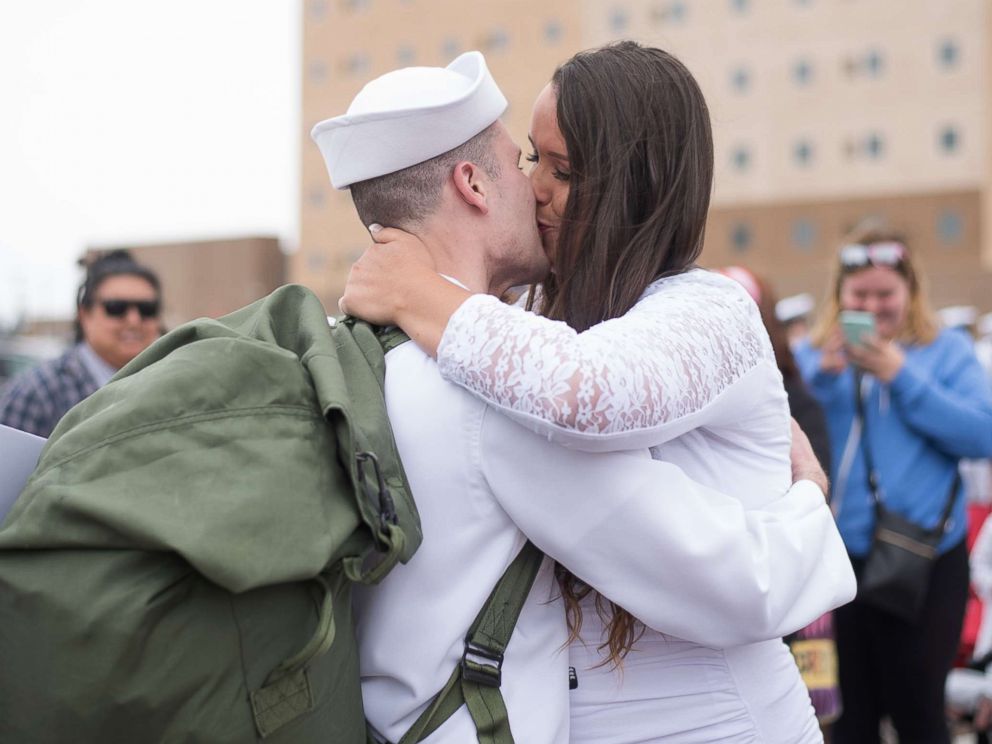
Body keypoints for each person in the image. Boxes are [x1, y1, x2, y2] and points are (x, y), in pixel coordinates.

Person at [336, 44, 850, 742]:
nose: (537, 188)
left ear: (637, 187)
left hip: (714, 721)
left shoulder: (708, 310)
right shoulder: (515, 340)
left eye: (565, 169)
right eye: (530, 159)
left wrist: (421, 289)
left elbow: (586, 391)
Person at [792, 228, 992, 743]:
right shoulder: (814, 360)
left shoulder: (943, 351)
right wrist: (826, 381)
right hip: (839, 565)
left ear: (911, 293)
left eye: (886, 295)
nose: (873, 307)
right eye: (860, 296)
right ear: (839, 298)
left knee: (920, 713)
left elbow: (983, 434)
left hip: (923, 560)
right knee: (848, 720)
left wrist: (900, 375)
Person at [0, 250, 162, 438]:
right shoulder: (37, 394)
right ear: (85, 315)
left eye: (147, 309)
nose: (134, 320)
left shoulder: (171, 386)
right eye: (116, 307)